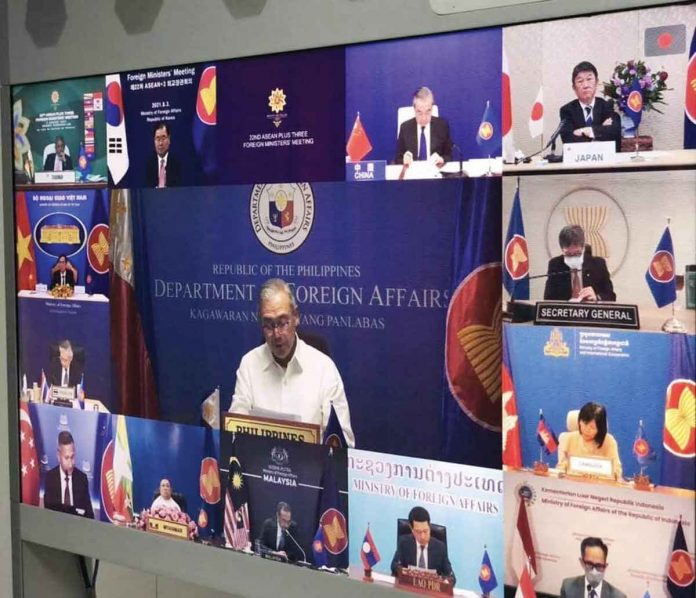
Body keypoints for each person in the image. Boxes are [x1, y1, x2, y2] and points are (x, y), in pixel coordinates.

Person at [229, 278, 355, 446]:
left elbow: (342, 441)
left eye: (283, 322)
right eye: (268, 325)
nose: (277, 334)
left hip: (312, 468)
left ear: (296, 317)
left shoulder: (324, 368)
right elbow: (235, 431)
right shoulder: (249, 364)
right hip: (260, 465)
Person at [544, 225, 615, 302]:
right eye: (568, 254)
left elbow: (611, 296)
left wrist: (597, 297)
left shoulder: (598, 264)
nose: (573, 257)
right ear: (562, 250)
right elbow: (548, 298)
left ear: (583, 248)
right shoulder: (555, 265)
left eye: (577, 253)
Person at [559, 62, 620, 151]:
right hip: (579, 163)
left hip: (605, 163)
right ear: (574, 88)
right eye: (580, 81)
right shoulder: (567, 110)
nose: (586, 85)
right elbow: (569, 141)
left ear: (597, 83)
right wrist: (601, 130)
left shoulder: (607, 106)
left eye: (589, 79)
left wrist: (588, 131)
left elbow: (614, 133)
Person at [557, 402, 623, 480]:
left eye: (592, 427)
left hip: (599, 488)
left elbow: (617, 472)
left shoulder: (609, 441)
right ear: (579, 421)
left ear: (600, 429)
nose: (587, 430)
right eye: (585, 423)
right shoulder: (567, 439)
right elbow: (560, 469)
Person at [391, 506, 455, 583]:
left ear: (429, 527)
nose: (422, 536)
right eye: (418, 532)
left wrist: (446, 581)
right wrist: (405, 572)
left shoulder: (440, 547)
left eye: (425, 531)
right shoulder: (404, 542)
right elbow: (394, 565)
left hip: (431, 591)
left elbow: (451, 576)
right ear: (411, 529)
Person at [395, 87, 453, 166]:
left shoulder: (442, 126)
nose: (424, 118)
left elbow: (449, 156)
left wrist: (442, 159)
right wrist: (404, 160)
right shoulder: (405, 128)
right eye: (419, 112)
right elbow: (398, 158)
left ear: (432, 108)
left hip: (435, 173)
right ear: (414, 109)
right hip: (413, 174)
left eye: (428, 112)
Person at [43, 431, 94, 518]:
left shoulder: (82, 479)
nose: (71, 464)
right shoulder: (50, 478)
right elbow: (48, 516)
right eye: (66, 458)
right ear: (58, 456)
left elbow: (90, 516)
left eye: (73, 457)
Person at [560, 537, 626, 598]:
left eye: (599, 566)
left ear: (605, 566)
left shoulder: (618, 596)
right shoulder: (568, 587)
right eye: (589, 564)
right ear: (582, 563)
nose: (594, 571)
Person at [145, 122, 181, 188]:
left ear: (169, 139)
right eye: (157, 139)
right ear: (154, 141)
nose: (160, 143)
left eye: (163, 138)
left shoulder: (178, 163)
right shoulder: (148, 165)